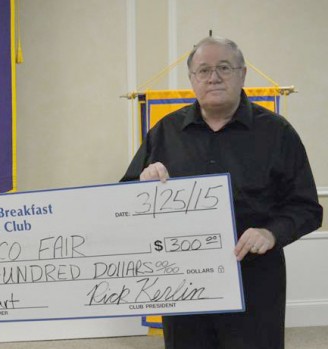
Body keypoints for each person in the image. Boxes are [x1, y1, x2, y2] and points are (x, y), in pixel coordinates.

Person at [121, 36, 323, 348]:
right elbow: (124, 199)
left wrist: (271, 232)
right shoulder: (164, 132)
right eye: (203, 70)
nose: (213, 77)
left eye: (224, 68)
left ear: (242, 74)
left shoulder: (277, 132)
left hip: (255, 282)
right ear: (192, 80)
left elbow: (308, 208)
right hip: (182, 283)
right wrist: (142, 187)